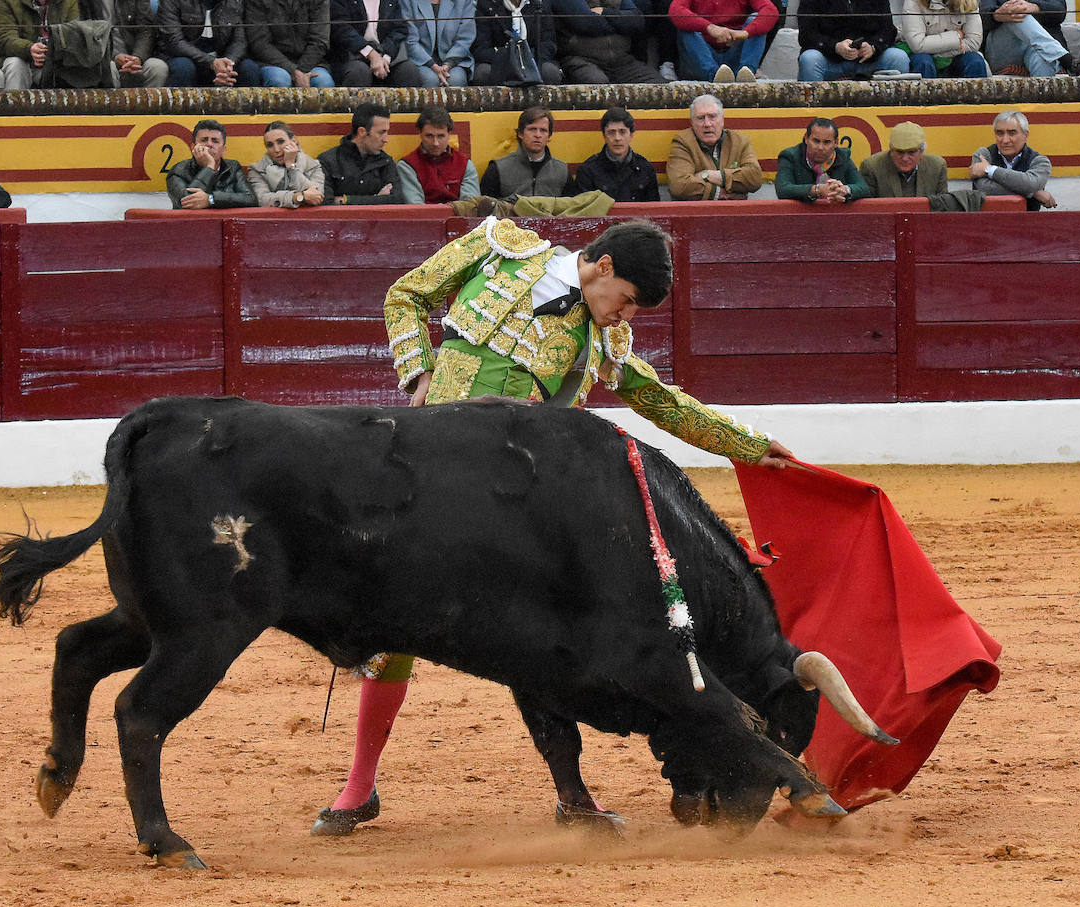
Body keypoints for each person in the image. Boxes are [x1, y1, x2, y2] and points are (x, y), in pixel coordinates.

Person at [312, 216, 795, 836]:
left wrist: (747, 444)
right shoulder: (499, 246)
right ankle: (359, 787)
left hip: (513, 500)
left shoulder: (600, 338)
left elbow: (662, 401)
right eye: (625, 303)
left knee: (541, 634)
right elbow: (406, 294)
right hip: (427, 471)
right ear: (604, 267)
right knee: (392, 626)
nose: (624, 318)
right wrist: (418, 370)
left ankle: (574, 796)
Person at [666, 93, 762, 201]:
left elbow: (755, 178)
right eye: (701, 118)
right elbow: (679, 186)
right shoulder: (682, 142)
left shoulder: (739, 141)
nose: (707, 124)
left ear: (722, 120)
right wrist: (720, 193)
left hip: (735, 213)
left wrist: (708, 175)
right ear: (692, 122)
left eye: (712, 116)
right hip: (698, 214)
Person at [551, 0, 666, 83]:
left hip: (623, 61)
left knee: (659, 87)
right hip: (581, 60)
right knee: (596, 85)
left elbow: (637, 21)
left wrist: (604, 12)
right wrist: (620, 24)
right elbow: (587, 23)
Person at [796, 0, 912, 80]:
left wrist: (873, 47)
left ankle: (891, 115)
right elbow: (806, 35)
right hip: (829, 60)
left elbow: (888, 30)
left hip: (870, 61)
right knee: (809, 59)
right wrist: (836, 47)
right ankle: (813, 114)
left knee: (898, 58)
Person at [669, 0, 779, 82]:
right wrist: (709, 27)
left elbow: (771, 10)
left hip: (734, 49)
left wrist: (744, 33)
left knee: (758, 19)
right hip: (701, 56)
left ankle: (746, 72)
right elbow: (675, 10)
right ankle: (714, 75)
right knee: (686, 25)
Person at [319, 101, 405, 205]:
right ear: (362, 132)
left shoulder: (385, 162)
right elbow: (325, 203)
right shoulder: (328, 161)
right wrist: (376, 199)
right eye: (381, 132)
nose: (386, 139)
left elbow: (396, 200)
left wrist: (345, 200)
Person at [159, 0, 262, 86]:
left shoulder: (234, 2)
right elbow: (174, 41)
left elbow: (239, 41)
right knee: (183, 67)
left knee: (249, 68)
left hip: (221, 59)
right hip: (183, 57)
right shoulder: (172, 1)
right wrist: (211, 62)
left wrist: (228, 65)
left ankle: (249, 110)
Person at [969, 109, 1055, 210]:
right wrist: (1033, 193)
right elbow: (983, 189)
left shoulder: (1040, 161)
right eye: (1000, 133)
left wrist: (990, 170)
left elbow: (1030, 184)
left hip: (1027, 222)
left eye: (1012, 133)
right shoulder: (983, 155)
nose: (1005, 140)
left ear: (1026, 135)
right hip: (987, 221)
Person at [569, 107, 659, 203]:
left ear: (631, 135)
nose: (617, 138)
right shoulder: (587, 171)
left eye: (622, 132)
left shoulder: (646, 169)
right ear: (604, 136)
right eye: (611, 132)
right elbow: (582, 212)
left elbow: (654, 211)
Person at [480, 105, 570, 200]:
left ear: (549, 136)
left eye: (543, 130)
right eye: (532, 129)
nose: (538, 135)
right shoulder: (497, 169)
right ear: (520, 134)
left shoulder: (562, 171)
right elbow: (485, 209)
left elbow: (572, 210)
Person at [166, 119, 258, 209]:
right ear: (193, 147)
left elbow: (251, 199)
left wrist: (211, 199)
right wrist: (209, 167)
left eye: (215, 141)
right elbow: (188, 203)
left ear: (223, 150)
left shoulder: (233, 167)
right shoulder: (178, 171)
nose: (209, 144)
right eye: (204, 140)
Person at [979, 0, 1080, 77]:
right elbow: (979, 17)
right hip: (1004, 53)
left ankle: (1042, 104)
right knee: (1016, 13)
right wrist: (997, 15)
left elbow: (1060, 11)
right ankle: (1065, 59)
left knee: (1041, 58)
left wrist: (1034, 7)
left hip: (1040, 51)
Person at [774, 117, 870, 204]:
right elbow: (783, 189)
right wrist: (817, 190)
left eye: (826, 142)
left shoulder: (843, 156)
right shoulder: (790, 156)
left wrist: (844, 190)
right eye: (816, 141)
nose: (820, 147)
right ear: (806, 139)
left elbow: (863, 188)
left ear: (836, 143)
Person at [0, 0, 80, 89]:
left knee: (73, 72)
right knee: (17, 65)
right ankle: (15, 104)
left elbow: (75, 35)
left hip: (51, 62)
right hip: (9, 59)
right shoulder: (5, 2)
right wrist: (29, 49)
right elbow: (4, 38)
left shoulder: (69, 2)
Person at [398, 106, 480, 205]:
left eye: (441, 136)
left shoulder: (465, 164)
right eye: (429, 136)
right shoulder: (407, 166)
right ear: (420, 134)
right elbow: (416, 209)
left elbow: (471, 207)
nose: (435, 143)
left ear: (449, 134)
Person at [328, 0, 421, 86]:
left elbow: (399, 30)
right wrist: (371, 53)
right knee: (359, 72)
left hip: (384, 54)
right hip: (352, 56)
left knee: (408, 71)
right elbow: (342, 29)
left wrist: (386, 57)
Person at [246, 0, 336, 87]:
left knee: (324, 82)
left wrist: (301, 70)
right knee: (279, 81)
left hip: (311, 62)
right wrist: (292, 70)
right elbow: (259, 43)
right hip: (271, 62)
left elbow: (320, 41)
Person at [471, 0, 563, 85]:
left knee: (550, 72)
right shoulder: (486, 4)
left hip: (533, 60)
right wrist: (511, 60)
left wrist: (527, 60)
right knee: (482, 73)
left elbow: (549, 43)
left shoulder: (540, 3)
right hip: (499, 61)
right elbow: (481, 49)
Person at [247, 121, 326, 208]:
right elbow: (262, 200)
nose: (276, 149)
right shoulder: (257, 169)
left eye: (280, 142)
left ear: (294, 140)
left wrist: (291, 167)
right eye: (270, 145)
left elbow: (317, 196)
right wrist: (297, 197)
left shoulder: (313, 165)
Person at [901, 0, 989, 78]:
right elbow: (918, 45)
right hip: (922, 55)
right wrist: (956, 36)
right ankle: (926, 96)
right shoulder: (913, 2)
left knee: (975, 61)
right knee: (923, 62)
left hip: (955, 56)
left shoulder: (969, 2)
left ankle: (977, 97)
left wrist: (938, 54)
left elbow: (973, 43)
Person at [859, 121, 948, 198]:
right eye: (899, 152)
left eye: (911, 152)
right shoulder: (872, 167)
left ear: (921, 152)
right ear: (891, 150)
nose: (905, 158)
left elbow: (943, 207)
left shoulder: (937, 166)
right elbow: (867, 209)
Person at [401, 0, 476, 87]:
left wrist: (448, 64)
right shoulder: (407, 1)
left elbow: (465, 38)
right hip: (420, 60)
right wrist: (432, 65)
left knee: (456, 79)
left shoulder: (464, 1)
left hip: (455, 60)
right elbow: (410, 40)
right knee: (430, 80)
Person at [111, 0, 185, 87]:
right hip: (106, 59)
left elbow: (146, 31)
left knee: (158, 67)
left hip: (136, 56)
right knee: (109, 69)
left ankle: (148, 100)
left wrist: (137, 57)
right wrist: (117, 56)